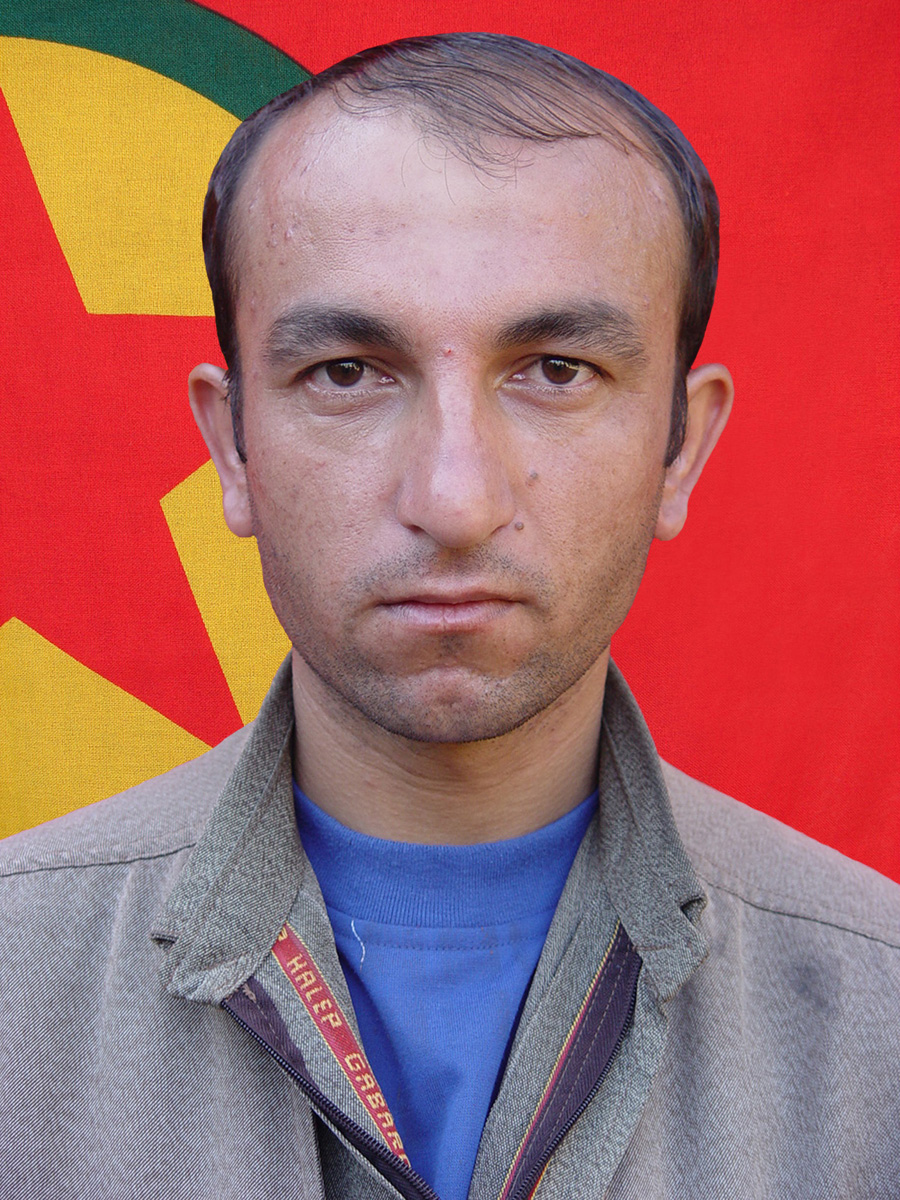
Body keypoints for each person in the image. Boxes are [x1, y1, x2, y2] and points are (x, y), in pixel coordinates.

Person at [2, 32, 898, 1200]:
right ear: (232, 445)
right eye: (346, 372)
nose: (456, 499)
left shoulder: (880, 1014)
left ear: (681, 447)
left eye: (557, 369)